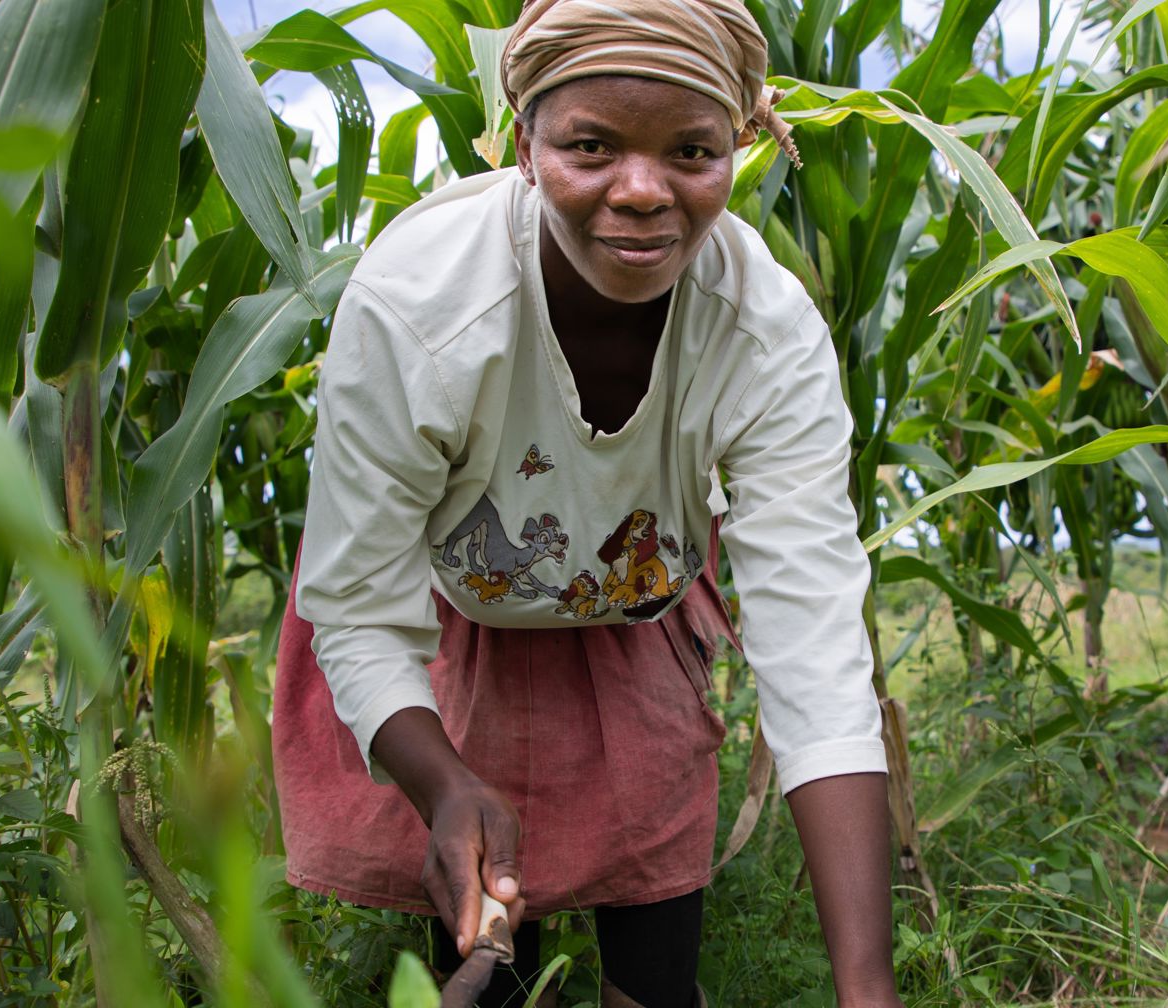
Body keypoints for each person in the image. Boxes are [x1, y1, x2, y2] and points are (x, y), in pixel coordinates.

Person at [272, 0, 902, 1003]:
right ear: (524, 144)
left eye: (692, 151)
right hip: (450, 626)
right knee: (483, 938)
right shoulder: (422, 303)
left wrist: (868, 987)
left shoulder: (764, 333)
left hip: (631, 614)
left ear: (740, 147)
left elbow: (815, 650)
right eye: (591, 146)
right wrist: (443, 783)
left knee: (655, 952)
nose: (643, 191)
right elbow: (358, 610)